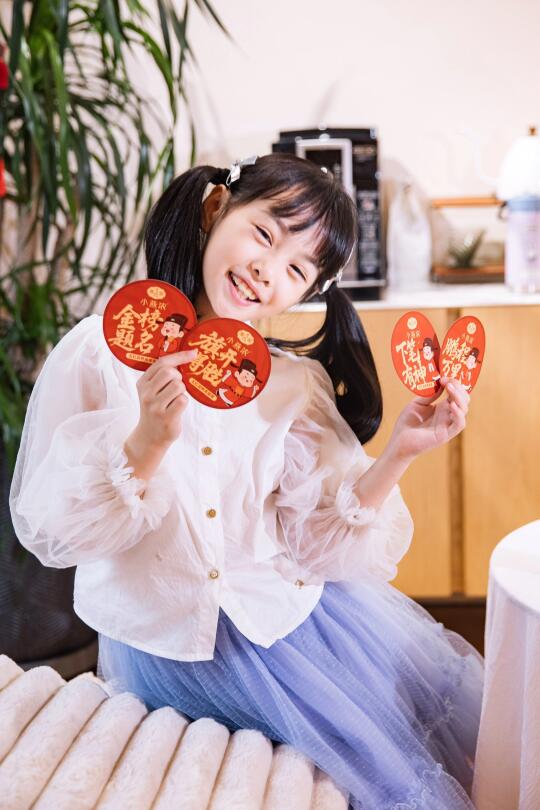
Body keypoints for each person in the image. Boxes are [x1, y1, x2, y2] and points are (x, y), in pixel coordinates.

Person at [9, 153, 483, 809]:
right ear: (215, 209)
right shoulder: (101, 352)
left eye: (297, 269)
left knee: (376, 774)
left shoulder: (294, 385)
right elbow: (59, 532)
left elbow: (317, 545)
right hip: (161, 645)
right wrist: (148, 440)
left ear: (308, 292)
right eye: (264, 233)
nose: (267, 269)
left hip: (287, 627)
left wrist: (401, 451)